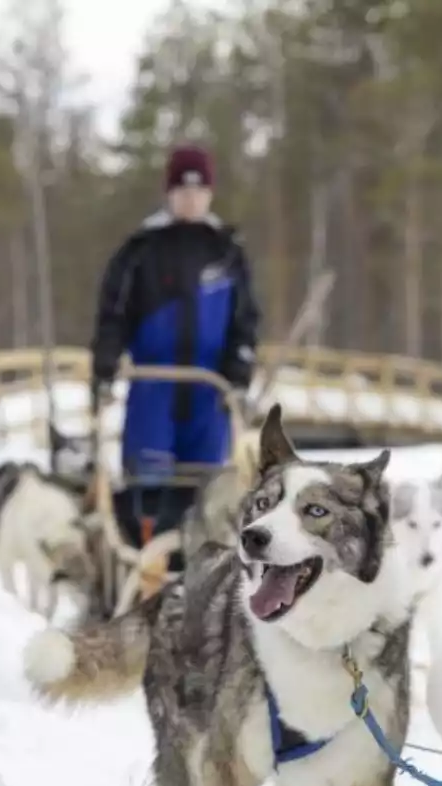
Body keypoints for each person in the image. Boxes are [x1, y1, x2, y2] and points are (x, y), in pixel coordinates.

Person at [89, 144, 260, 556]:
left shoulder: (227, 251)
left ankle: (201, 571)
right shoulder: (141, 251)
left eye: (199, 189)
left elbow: (245, 321)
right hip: (153, 387)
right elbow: (113, 315)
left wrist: (239, 372)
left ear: (210, 193)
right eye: (183, 190)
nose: (191, 197)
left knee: (210, 493)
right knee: (149, 486)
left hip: (209, 391)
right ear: (169, 193)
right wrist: (106, 365)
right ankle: (144, 569)